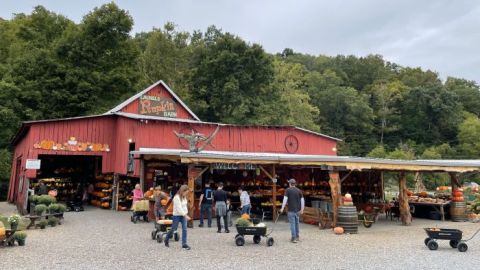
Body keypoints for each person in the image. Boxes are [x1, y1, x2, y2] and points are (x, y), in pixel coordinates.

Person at [164, 184, 191, 250]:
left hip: (183, 215)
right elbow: (179, 208)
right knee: (173, 229)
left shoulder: (184, 197)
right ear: (183, 191)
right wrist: (185, 215)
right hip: (177, 215)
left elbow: (184, 206)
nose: (187, 194)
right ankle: (166, 239)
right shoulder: (176, 197)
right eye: (186, 192)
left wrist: (186, 213)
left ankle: (184, 244)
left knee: (185, 229)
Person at [280, 179, 304, 243]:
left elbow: (285, 200)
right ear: (295, 184)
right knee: (297, 224)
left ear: (290, 184)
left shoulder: (288, 190)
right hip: (298, 210)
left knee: (292, 224)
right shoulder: (299, 190)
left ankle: (293, 238)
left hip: (291, 210)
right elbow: (302, 200)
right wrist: (302, 209)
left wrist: (282, 208)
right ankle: (297, 237)